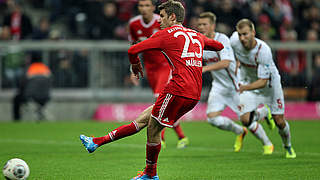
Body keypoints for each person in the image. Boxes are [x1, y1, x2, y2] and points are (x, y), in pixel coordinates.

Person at [79, 0, 224, 179]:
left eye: (162, 16)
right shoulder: (196, 35)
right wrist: (200, 44)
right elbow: (219, 46)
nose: (159, 21)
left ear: (172, 17)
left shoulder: (165, 35)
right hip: (194, 95)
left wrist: (136, 66)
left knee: (153, 129)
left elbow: (133, 50)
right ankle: (96, 142)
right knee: (142, 121)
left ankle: (150, 173)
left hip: (177, 90)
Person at [230, 18, 296, 158]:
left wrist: (244, 88)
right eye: (240, 34)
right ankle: (265, 121)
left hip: (269, 86)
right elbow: (232, 55)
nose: (242, 38)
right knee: (245, 120)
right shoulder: (234, 41)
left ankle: (288, 146)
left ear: (253, 32)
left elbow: (263, 82)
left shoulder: (263, 50)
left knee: (279, 121)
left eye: (246, 34)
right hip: (248, 82)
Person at [128, 0, 189, 149]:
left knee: (160, 101)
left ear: (152, 8)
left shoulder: (162, 21)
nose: (144, 9)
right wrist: (133, 69)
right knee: (164, 104)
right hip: (150, 68)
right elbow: (134, 47)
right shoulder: (134, 24)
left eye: (147, 5)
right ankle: (182, 137)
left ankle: (160, 138)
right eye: (141, 6)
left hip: (165, 66)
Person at [198, 12, 248, 152]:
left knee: (249, 120)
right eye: (199, 24)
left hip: (235, 86)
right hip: (219, 86)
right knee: (212, 118)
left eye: (204, 24)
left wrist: (205, 68)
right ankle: (240, 131)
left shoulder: (222, 39)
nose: (201, 27)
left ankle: (267, 143)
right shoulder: (199, 42)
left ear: (213, 26)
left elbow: (226, 62)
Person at [12, 52, 51, 121]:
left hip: (31, 97)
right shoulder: (45, 68)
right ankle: (39, 115)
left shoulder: (29, 68)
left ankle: (17, 119)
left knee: (16, 99)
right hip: (45, 97)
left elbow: (22, 84)